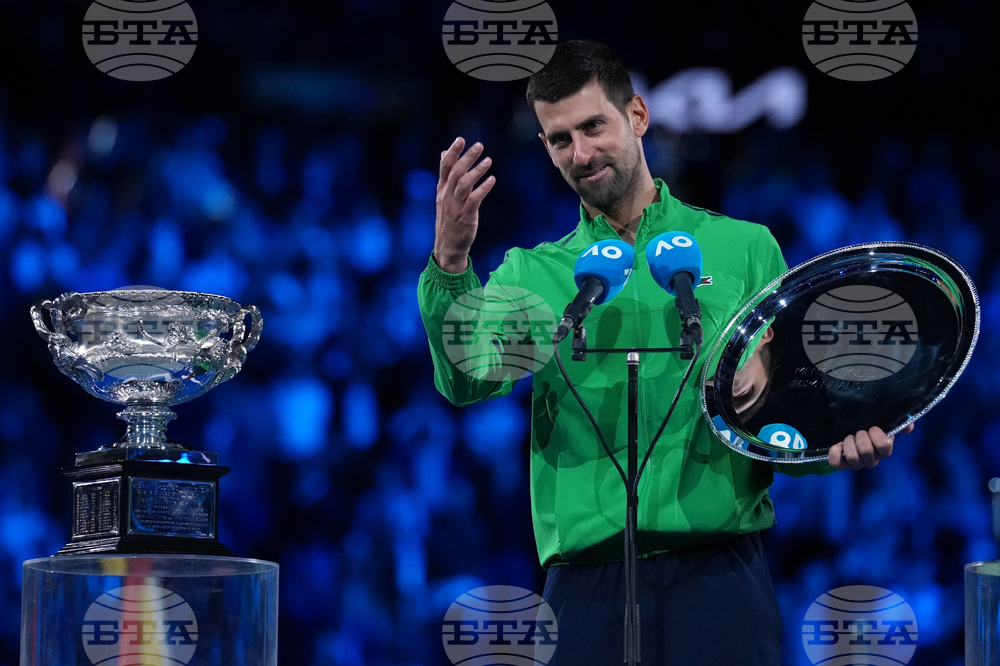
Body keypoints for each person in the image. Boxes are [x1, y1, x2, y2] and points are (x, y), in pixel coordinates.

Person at [418, 40, 907, 665]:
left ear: (638, 117)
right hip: (584, 587)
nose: (582, 153)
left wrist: (835, 450)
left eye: (594, 126)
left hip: (720, 581)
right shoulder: (533, 273)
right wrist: (451, 263)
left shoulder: (743, 250)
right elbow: (467, 382)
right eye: (560, 139)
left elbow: (781, 425)